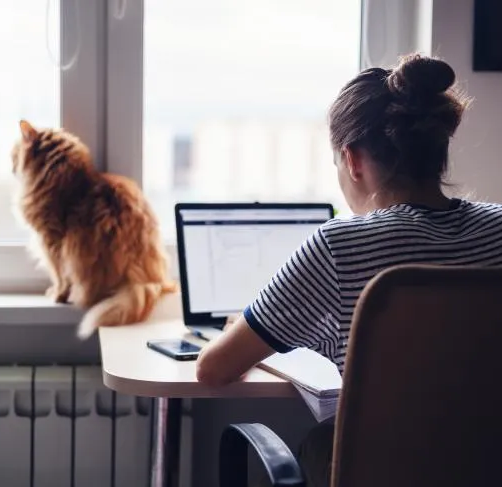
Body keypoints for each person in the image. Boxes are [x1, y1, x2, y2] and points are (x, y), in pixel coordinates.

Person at [196, 53, 502, 486]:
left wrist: (243, 331)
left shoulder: (338, 245)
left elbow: (214, 369)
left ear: (353, 160)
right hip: (490, 464)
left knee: (323, 441)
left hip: (390, 472)